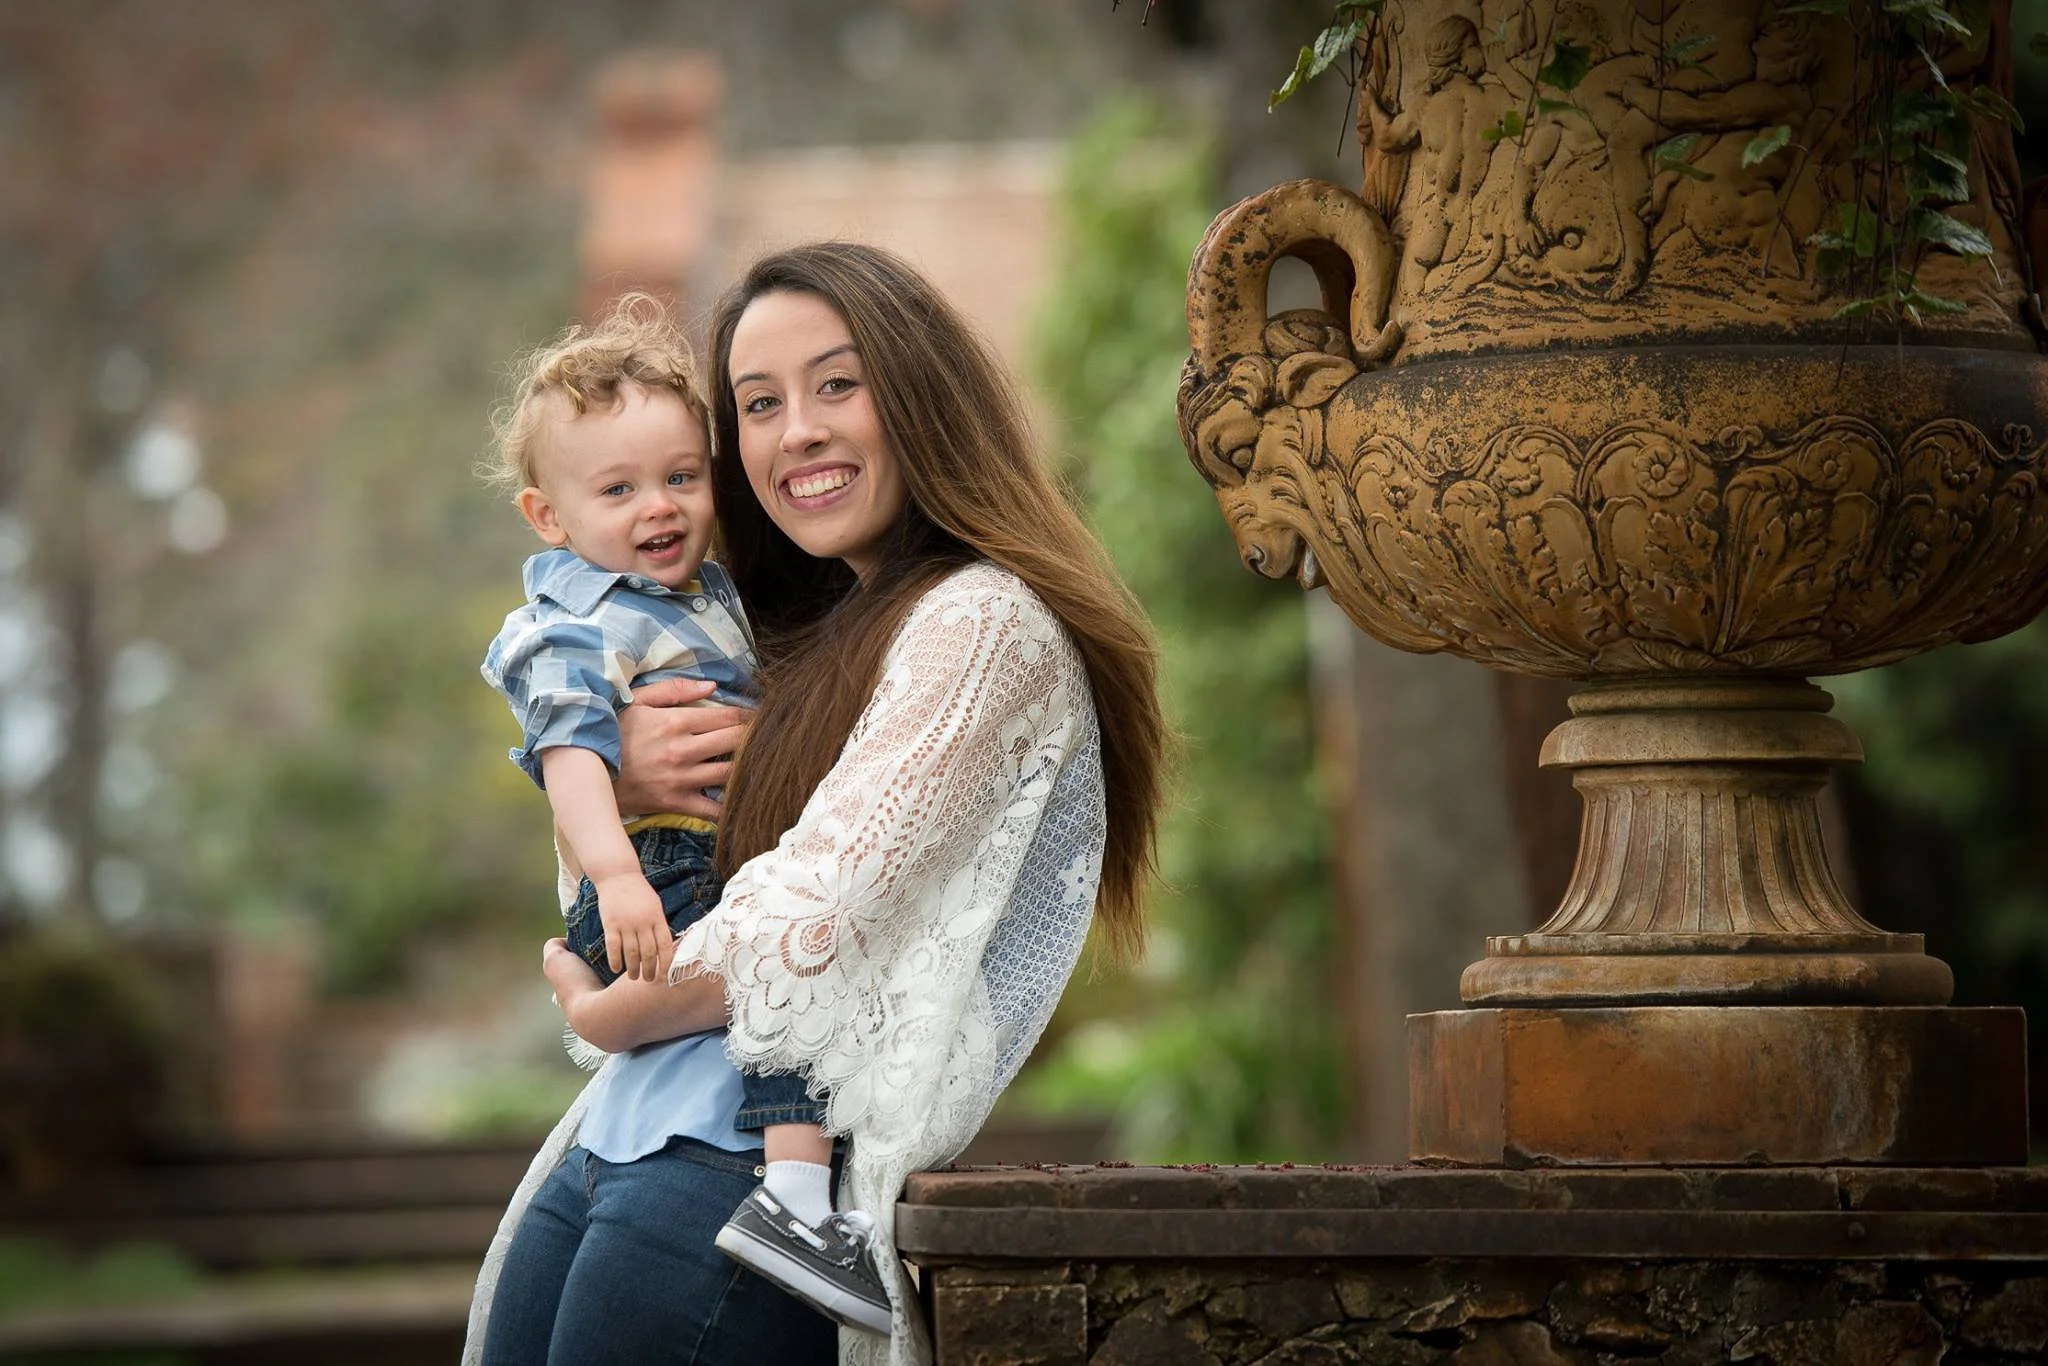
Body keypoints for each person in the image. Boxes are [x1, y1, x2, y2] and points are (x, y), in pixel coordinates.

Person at [466, 241, 1166, 1366]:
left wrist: (612, 1015)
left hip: (748, 1175)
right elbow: (652, 887)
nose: (796, 431)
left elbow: (814, 920)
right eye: (757, 404)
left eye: (836, 384)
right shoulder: (775, 636)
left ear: (920, 393)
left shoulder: (978, 624)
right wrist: (621, 782)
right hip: (616, 1139)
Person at [476, 296, 856, 1333]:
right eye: (619, 489)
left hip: (680, 863)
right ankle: (796, 1198)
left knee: (782, 965)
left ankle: (792, 1193)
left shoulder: (700, 591)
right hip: (652, 877)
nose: (659, 507)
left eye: (681, 478)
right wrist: (614, 877)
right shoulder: (572, 621)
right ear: (548, 517)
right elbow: (568, 757)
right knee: (785, 976)